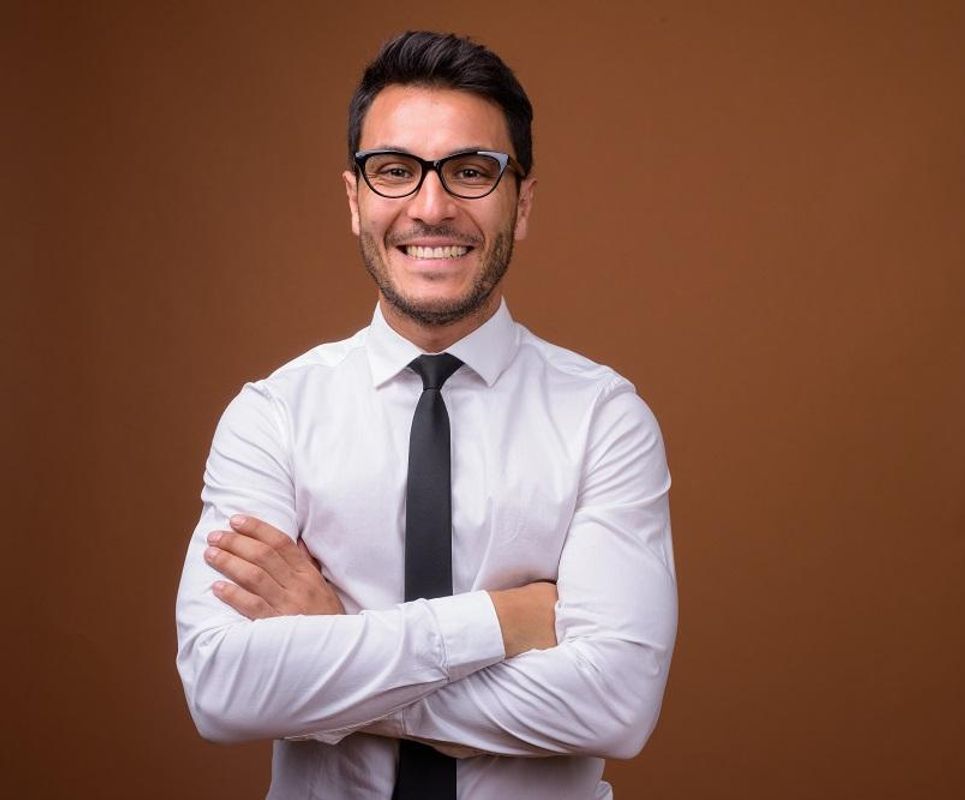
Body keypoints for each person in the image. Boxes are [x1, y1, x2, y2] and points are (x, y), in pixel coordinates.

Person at [175, 30, 677, 800]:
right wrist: (503, 624)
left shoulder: (603, 419)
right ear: (355, 199)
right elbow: (220, 688)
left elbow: (614, 706)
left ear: (523, 199)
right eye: (396, 171)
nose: (432, 207)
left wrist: (331, 646)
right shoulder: (272, 416)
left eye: (471, 172)